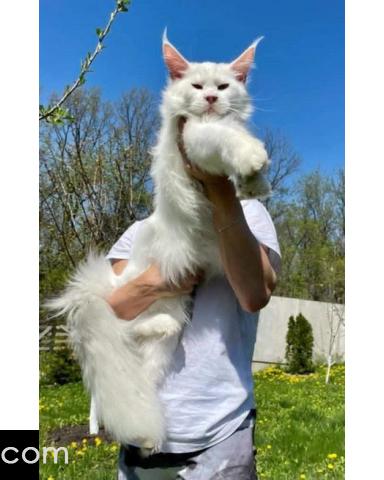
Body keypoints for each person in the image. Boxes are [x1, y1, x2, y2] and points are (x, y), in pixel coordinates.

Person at [106, 119, 281, 479]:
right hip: (141, 426)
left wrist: (219, 189)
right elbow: (111, 309)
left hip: (220, 428)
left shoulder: (249, 213)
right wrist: (157, 282)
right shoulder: (140, 232)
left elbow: (255, 293)